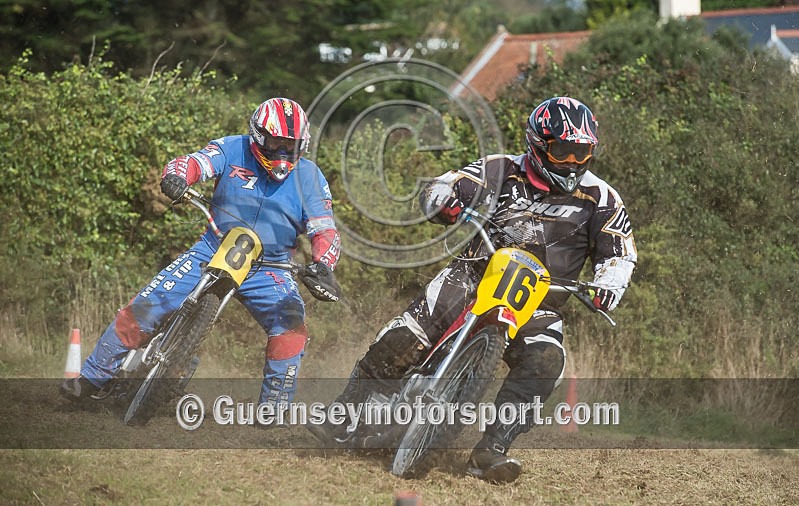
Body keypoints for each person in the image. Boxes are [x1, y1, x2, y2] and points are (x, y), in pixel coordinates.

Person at [310, 97, 636, 483]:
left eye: (581, 152)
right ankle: (345, 414)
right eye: (563, 151)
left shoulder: (601, 197)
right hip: (473, 276)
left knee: (548, 360)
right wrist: (442, 198)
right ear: (538, 143)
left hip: (539, 303)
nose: (572, 162)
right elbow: (451, 184)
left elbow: (620, 252)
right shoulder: (501, 169)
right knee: (402, 337)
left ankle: (491, 451)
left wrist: (608, 284)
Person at [61, 97, 341, 407]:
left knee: (291, 329)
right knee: (144, 308)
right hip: (213, 248)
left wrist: (323, 264)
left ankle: (274, 411)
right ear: (258, 136)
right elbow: (194, 162)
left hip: (270, 267)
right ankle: (91, 379)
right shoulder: (232, 147)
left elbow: (324, 230)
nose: (282, 152)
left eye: (290, 145)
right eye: (275, 142)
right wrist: (178, 177)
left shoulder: (311, 177)